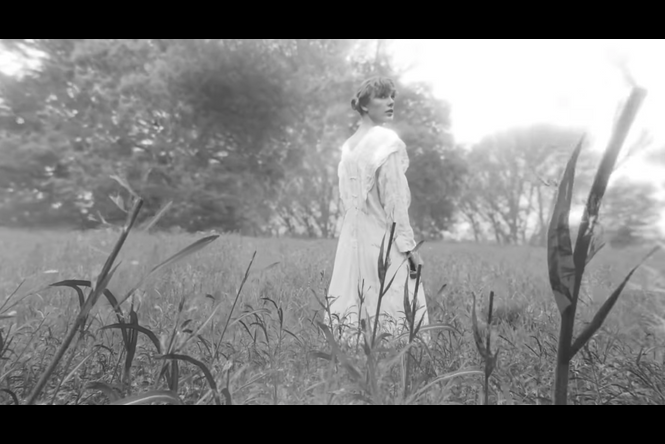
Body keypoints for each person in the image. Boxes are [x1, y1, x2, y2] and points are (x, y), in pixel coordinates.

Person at [327, 76, 429, 339]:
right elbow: (395, 200)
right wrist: (409, 248)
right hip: (383, 240)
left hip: (352, 243)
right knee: (394, 309)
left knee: (355, 308)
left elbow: (347, 200)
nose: (390, 102)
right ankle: (394, 361)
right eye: (382, 97)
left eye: (392, 96)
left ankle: (357, 358)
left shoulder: (348, 147)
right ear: (364, 105)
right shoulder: (386, 141)